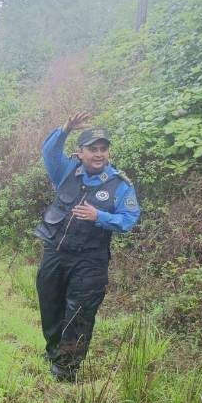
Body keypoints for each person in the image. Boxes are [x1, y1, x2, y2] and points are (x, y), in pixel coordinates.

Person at [34, 112, 140, 382]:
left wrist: (100, 217)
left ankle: (66, 370)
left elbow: (129, 219)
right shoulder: (66, 170)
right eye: (93, 149)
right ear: (80, 153)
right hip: (55, 252)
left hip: (91, 261)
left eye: (103, 149)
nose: (99, 154)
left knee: (79, 314)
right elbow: (49, 151)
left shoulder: (120, 185)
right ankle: (54, 351)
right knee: (51, 305)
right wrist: (65, 128)